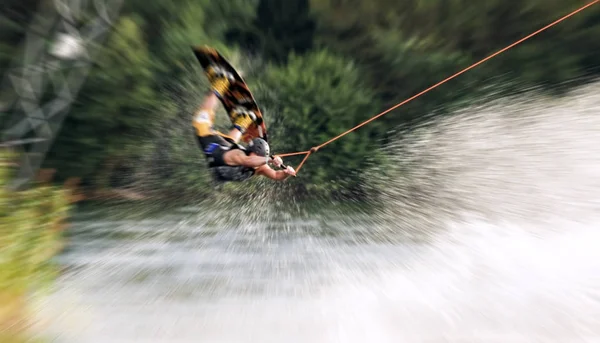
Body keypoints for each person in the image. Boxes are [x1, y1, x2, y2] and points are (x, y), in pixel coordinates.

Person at [192, 91, 296, 182]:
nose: (256, 163)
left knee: (231, 142)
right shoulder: (238, 155)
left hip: (220, 156)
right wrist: (270, 160)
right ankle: (216, 92)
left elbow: (276, 175)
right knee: (200, 122)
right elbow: (248, 161)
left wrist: (286, 173)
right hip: (213, 145)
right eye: (256, 157)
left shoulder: (260, 166)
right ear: (250, 152)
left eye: (259, 159)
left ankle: (242, 122)